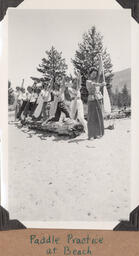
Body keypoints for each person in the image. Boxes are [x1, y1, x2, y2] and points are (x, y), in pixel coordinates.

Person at [86, 67, 105, 140]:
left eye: (95, 74)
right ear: (90, 74)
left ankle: (97, 133)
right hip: (91, 100)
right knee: (91, 118)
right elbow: (94, 84)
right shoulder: (88, 81)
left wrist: (100, 60)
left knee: (98, 117)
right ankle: (91, 135)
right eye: (93, 73)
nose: (94, 75)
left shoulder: (95, 80)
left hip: (97, 99)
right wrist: (102, 84)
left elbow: (100, 72)